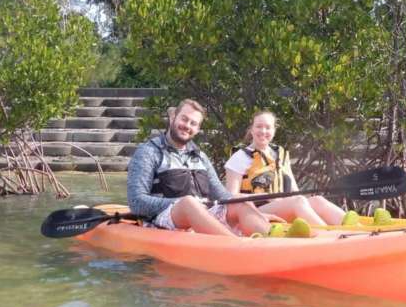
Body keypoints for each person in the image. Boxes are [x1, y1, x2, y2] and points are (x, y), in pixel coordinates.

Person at [127, 99, 273, 237]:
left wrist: (253, 211)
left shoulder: (200, 156)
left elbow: (222, 195)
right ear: (173, 117)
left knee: (239, 200)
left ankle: (270, 238)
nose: (187, 126)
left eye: (193, 123)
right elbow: (136, 202)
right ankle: (237, 245)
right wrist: (181, 202)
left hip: (203, 213)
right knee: (188, 202)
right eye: (184, 119)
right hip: (164, 218)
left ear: (197, 129)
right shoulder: (148, 152)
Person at [225, 110, 348, 226]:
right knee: (297, 202)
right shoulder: (240, 157)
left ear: (274, 131)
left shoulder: (281, 155)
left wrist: (300, 202)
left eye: (268, 127)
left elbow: (294, 191)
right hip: (255, 211)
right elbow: (231, 197)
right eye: (259, 126)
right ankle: (328, 236)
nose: (263, 131)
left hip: (284, 205)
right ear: (251, 129)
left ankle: (357, 229)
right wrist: (270, 198)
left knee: (318, 201)